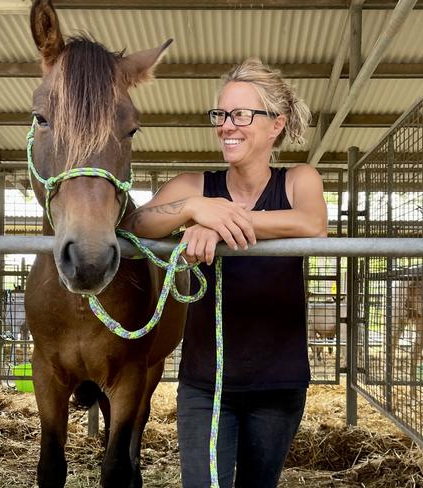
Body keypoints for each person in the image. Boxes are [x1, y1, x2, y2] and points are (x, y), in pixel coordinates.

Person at [122, 58, 327, 488]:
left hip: (278, 383)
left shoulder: (298, 179)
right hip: (205, 385)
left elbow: (311, 223)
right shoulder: (196, 187)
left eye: (241, 114)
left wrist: (221, 225)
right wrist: (194, 209)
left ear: (276, 125)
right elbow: (135, 224)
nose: (227, 126)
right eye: (221, 114)